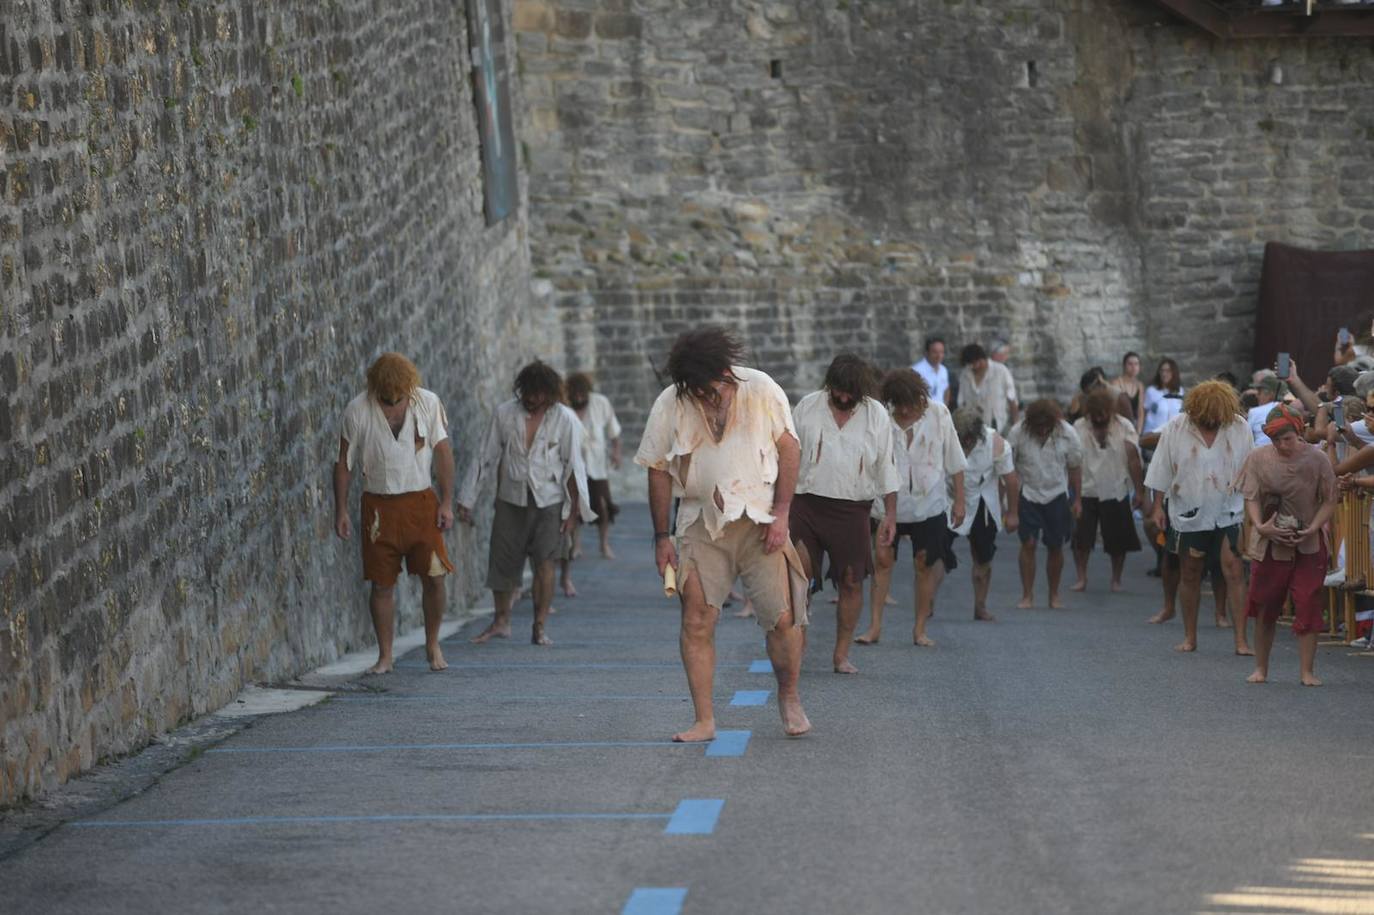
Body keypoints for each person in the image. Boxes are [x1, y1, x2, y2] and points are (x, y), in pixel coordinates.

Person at [637, 327, 811, 740]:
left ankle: (789, 698)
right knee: (696, 619)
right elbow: (657, 469)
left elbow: (790, 449)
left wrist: (783, 513)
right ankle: (704, 720)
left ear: (724, 372)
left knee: (782, 620)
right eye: (693, 388)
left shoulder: (762, 388)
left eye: (707, 387)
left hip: (761, 518)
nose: (701, 395)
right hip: (700, 523)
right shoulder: (672, 401)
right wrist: (661, 537)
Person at [333, 352, 455, 674]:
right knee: (381, 583)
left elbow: (443, 454)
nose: (392, 400)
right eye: (386, 396)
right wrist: (341, 509)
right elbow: (344, 464)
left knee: (435, 576)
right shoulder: (358, 410)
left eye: (398, 394)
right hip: (379, 509)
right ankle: (385, 655)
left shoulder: (427, 402)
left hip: (421, 504)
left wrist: (445, 502)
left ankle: (432, 643)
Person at [458, 361, 592, 647]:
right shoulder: (504, 414)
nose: (532, 400)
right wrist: (467, 498)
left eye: (539, 394)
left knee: (545, 564)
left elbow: (574, 467)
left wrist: (573, 512)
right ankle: (501, 621)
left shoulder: (565, 419)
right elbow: (485, 457)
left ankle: (539, 625)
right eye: (528, 393)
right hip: (511, 498)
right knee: (502, 562)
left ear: (550, 394)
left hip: (550, 501)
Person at [790, 355, 900, 672]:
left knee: (852, 581)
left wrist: (890, 515)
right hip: (806, 503)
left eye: (849, 393)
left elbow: (887, 466)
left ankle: (841, 654)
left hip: (852, 508)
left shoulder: (876, 414)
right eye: (837, 391)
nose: (842, 398)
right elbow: (786, 455)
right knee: (799, 576)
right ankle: (799, 638)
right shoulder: (808, 407)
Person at [856, 369, 966, 647]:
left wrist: (960, 501)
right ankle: (874, 626)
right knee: (881, 561)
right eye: (899, 404)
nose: (904, 410)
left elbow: (954, 459)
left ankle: (919, 629)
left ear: (921, 398)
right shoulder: (881, 417)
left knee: (924, 564)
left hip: (928, 503)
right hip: (886, 502)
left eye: (910, 403)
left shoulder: (939, 414)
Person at [1144, 380, 1253, 654]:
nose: (1213, 421)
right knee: (1190, 573)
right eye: (1208, 416)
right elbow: (1161, 470)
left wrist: (1252, 514)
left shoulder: (1239, 426)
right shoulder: (1177, 427)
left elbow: (1251, 471)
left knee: (1235, 571)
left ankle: (1241, 640)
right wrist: (1157, 507)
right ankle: (1190, 637)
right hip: (1188, 509)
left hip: (1231, 509)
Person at [1238, 404, 1338, 686]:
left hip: (1308, 542)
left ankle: (1307, 671)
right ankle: (1261, 668)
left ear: (1300, 432)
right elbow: (1252, 497)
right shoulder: (1258, 458)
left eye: (1288, 439)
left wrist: (1314, 528)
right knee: (1266, 605)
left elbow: (1330, 499)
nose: (1282, 445)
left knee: (1308, 601)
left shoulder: (1317, 459)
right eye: (1276, 440)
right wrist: (1260, 525)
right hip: (1271, 542)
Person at [1007, 399, 1082, 609]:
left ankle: (1054, 595)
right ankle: (1027, 595)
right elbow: (1008, 469)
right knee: (1028, 544)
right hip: (1028, 493)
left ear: (1053, 423)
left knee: (1055, 546)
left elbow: (1075, 467)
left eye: (1045, 426)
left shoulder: (1067, 433)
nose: (1041, 430)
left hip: (1057, 494)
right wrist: (1010, 508)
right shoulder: (1017, 432)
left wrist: (1077, 500)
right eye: (1037, 426)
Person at [948, 406, 1020, 622]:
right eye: (962, 438)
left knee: (983, 556)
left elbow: (1011, 480)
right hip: (948, 498)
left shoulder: (995, 443)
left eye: (969, 438)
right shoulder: (946, 438)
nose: (966, 442)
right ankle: (928, 603)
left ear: (977, 434)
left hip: (982, 501)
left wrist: (1013, 513)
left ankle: (980, 606)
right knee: (934, 554)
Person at [1071, 388, 1145, 593]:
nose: (1099, 418)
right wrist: (1073, 494)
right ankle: (1081, 577)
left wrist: (1139, 491)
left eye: (1103, 414)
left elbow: (1134, 460)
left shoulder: (1124, 426)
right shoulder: (1079, 427)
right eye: (1095, 415)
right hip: (1086, 488)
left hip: (1115, 487)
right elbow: (1072, 461)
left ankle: (1116, 579)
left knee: (1118, 541)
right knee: (1081, 539)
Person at [557, 373, 623, 598]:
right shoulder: (565, 408)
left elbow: (614, 431)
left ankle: (604, 544)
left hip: (597, 464)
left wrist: (616, 452)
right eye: (574, 394)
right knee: (574, 506)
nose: (577, 397)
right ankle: (576, 545)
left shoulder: (600, 403)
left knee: (602, 505)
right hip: (575, 465)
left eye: (581, 394)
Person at [957, 343, 1019, 432]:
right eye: (970, 364)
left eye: (974, 363)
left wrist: (1015, 425)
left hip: (998, 425)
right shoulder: (965, 374)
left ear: (981, 359)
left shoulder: (1001, 371)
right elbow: (961, 403)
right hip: (973, 428)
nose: (973, 367)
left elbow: (1012, 399)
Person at [1142, 358, 1184, 436]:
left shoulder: (1180, 391)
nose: (1164, 374)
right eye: (1162, 370)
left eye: (1168, 371)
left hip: (1173, 436)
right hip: (1154, 435)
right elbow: (1143, 414)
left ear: (1173, 372)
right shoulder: (1151, 391)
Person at [1110, 352, 1146, 432]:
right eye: (1130, 364)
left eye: (1136, 364)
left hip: (1133, 427)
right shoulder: (1116, 384)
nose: (1133, 367)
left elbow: (1140, 410)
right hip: (1119, 427)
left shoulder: (1140, 386)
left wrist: (1138, 431)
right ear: (1124, 366)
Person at [1245, 374, 1285, 445]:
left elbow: (1246, 439)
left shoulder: (1254, 412)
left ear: (1269, 394)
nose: (1256, 396)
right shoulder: (1290, 409)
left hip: (1259, 452)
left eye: (1259, 392)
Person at [912, 337, 952, 406]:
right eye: (935, 352)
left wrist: (945, 406)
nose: (939, 356)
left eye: (941, 352)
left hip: (941, 412)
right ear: (927, 353)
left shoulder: (943, 370)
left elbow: (946, 390)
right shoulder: (916, 371)